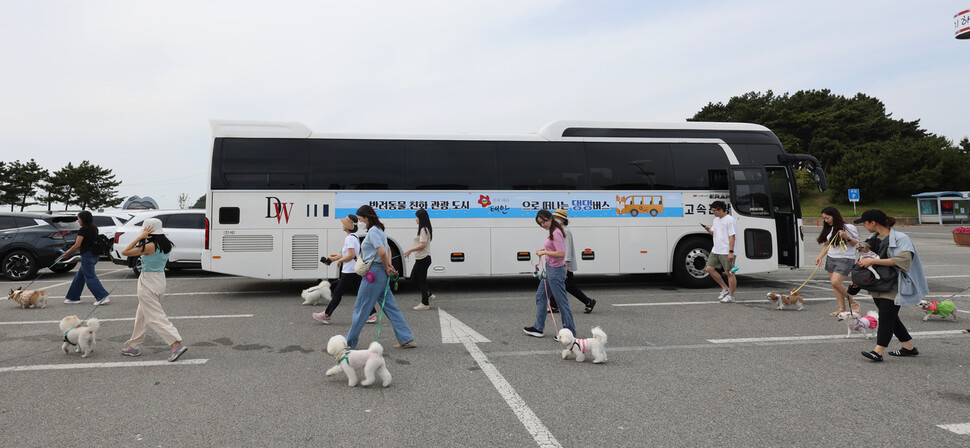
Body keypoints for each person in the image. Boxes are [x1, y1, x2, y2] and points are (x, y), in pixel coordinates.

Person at [855, 209, 929, 362]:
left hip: (896, 283)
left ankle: (878, 352)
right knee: (891, 317)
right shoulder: (873, 237)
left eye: (865, 222)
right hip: (878, 284)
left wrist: (873, 261)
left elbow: (902, 261)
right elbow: (866, 258)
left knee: (886, 317)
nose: (863, 225)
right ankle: (908, 347)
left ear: (873, 222)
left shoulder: (901, 238)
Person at [344, 205, 415, 349]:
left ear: (366, 217)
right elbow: (387, 249)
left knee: (361, 308)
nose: (360, 222)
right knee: (391, 307)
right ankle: (406, 338)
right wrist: (388, 266)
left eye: (361, 219)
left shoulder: (373, 232)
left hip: (373, 274)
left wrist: (386, 266)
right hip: (380, 274)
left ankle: (349, 343)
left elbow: (382, 252)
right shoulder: (381, 231)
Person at [119, 218, 188, 362]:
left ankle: (176, 343)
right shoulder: (165, 244)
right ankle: (134, 346)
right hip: (160, 279)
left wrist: (139, 237)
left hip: (148, 281)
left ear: (148, 231)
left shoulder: (150, 246)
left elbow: (125, 252)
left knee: (154, 317)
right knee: (142, 315)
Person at [312, 215, 378, 324]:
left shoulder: (349, 238)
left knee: (338, 293)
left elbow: (351, 255)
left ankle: (326, 315)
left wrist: (340, 261)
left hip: (349, 271)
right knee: (360, 292)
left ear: (347, 226)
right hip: (353, 270)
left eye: (344, 224)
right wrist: (332, 259)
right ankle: (370, 315)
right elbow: (345, 253)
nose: (342, 225)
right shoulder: (354, 236)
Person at [523, 210, 577, 338]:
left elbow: (561, 253)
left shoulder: (556, 232)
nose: (543, 225)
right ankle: (538, 328)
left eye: (544, 221)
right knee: (540, 297)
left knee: (561, 302)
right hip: (550, 269)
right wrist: (545, 250)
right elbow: (555, 249)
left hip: (556, 272)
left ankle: (570, 333)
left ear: (550, 218)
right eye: (540, 223)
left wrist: (545, 253)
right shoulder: (553, 231)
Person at [814, 207, 862, 316]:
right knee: (835, 285)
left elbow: (857, 244)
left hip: (845, 259)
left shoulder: (848, 227)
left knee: (835, 282)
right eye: (824, 219)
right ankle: (842, 308)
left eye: (828, 218)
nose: (826, 220)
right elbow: (827, 244)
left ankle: (853, 303)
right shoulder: (829, 228)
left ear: (835, 215)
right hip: (831, 258)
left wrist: (847, 237)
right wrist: (820, 256)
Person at [551, 209, 596, 313]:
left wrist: (565, 264)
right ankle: (553, 305)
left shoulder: (565, 231)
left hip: (565, 264)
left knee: (568, 286)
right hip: (561, 263)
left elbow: (567, 248)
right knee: (559, 283)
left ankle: (588, 301)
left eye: (556, 217)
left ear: (562, 219)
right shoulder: (560, 229)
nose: (554, 219)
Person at [62, 211, 110, 305]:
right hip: (94, 255)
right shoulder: (94, 228)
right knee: (79, 277)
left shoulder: (83, 230)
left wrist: (67, 253)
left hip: (87, 256)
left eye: (79, 218)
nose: (78, 220)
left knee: (90, 277)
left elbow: (77, 245)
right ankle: (73, 297)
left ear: (83, 219)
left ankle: (102, 296)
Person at [703, 201, 738, 303]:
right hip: (716, 249)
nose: (713, 213)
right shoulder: (716, 220)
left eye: (714, 211)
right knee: (709, 268)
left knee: (729, 273)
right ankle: (725, 288)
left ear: (721, 210)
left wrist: (731, 252)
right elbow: (714, 233)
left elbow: (732, 236)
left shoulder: (730, 220)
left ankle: (731, 296)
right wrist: (709, 230)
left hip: (726, 250)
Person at [404, 208, 435, 311]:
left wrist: (410, 250)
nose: (415, 219)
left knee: (420, 280)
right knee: (414, 279)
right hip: (421, 259)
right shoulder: (423, 229)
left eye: (417, 217)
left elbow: (422, 245)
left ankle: (425, 303)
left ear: (421, 218)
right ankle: (428, 295)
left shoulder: (423, 230)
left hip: (423, 259)